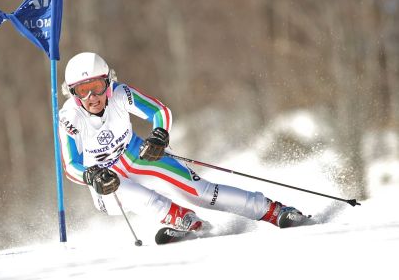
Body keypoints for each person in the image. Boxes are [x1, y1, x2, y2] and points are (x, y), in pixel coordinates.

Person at [58, 52, 307, 233]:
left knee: (202, 192)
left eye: (97, 87)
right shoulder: (69, 117)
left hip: (135, 154)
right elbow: (71, 166)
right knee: (136, 195)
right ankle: (186, 221)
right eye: (83, 91)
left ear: (108, 83)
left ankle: (273, 210)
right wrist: (92, 176)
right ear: (73, 93)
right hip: (105, 177)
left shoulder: (122, 94)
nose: (92, 97)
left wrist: (159, 135)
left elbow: (159, 112)